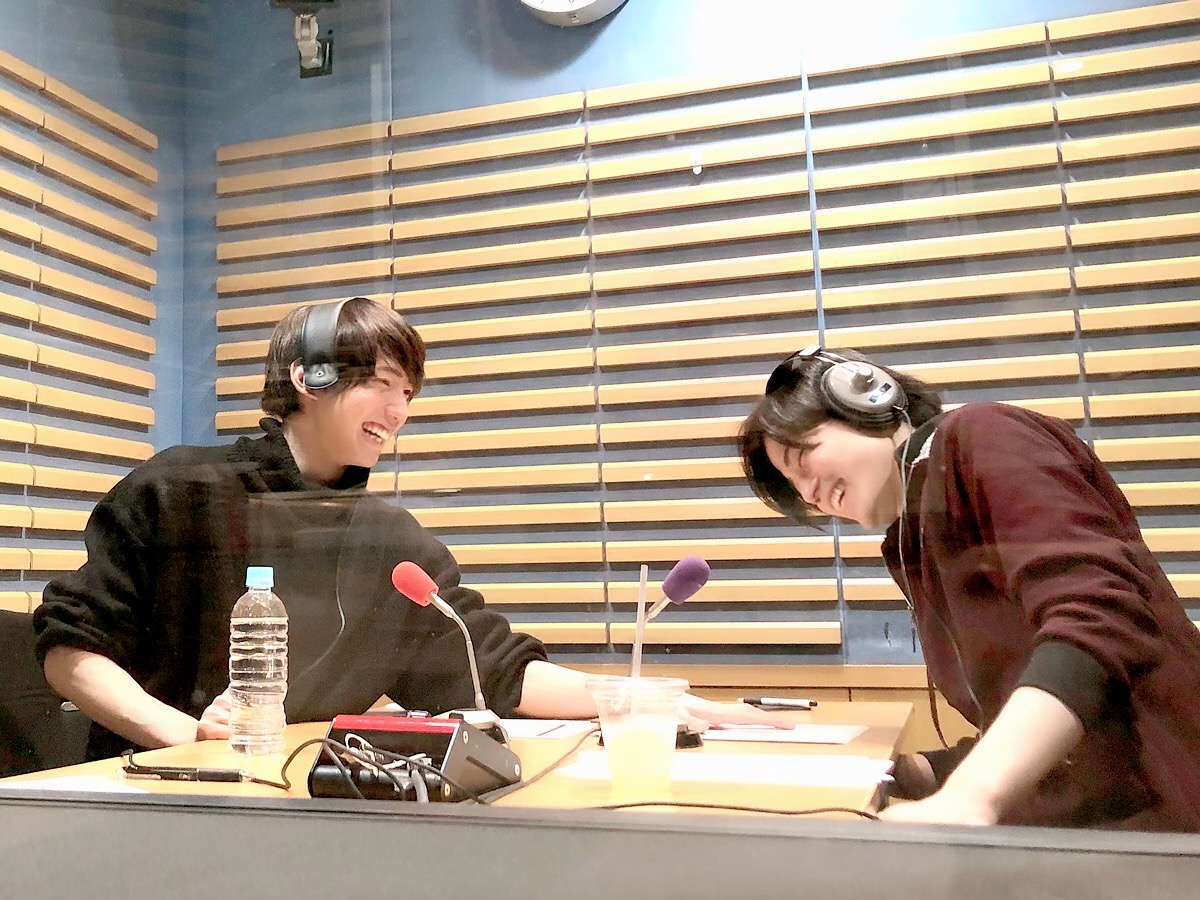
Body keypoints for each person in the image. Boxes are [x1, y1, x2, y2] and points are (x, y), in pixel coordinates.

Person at [35, 297, 772, 761]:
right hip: (147, 790)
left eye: (409, 394)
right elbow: (70, 651)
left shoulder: (391, 542)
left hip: (298, 798)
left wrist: (637, 699)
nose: (398, 411)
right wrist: (185, 736)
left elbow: (494, 667)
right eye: (381, 384)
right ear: (309, 378)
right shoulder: (178, 489)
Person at [738, 345, 1200, 830]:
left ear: (868, 400)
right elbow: (1059, 746)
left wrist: (973, 795)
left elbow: (1098, 621)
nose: (809, 492)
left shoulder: (983, 433)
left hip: (1170, 822)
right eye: (795, 485)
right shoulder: (914, 539)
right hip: (1093, 828)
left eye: (802, 459)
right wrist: (911, 772)